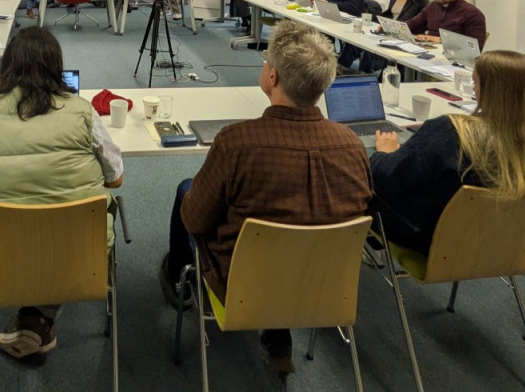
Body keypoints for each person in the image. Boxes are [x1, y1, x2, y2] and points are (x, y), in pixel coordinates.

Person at [159, 20, 371, 376]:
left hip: (243, 285)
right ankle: (277, 336)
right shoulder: (353, 145)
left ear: (272, 78)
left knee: (187, 190)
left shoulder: (236, 142)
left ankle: (177, 278)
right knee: (291, 227)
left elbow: (195, 221)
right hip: (325, 288)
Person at [0, 27, 124, 359]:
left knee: (10, 219)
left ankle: (32, 316)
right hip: (78, 259)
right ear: (56, 67)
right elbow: (116, 180)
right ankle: (39, 317)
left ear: (6, 68)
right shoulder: (81, 111)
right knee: (60, 224)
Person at [371, 50, 525, 253]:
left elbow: (389, 175)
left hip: (430, 240)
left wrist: (384, 154)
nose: (474, 90)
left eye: (476, 83)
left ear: (492, 91)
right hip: (495, 245)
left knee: (358, 173)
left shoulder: (452, 132)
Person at [340, 0, 429, 72]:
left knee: (370, 49)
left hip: (402, 37)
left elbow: (419, 23)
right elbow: (389, 14)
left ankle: (365, 75)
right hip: (388, 31)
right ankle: (340, 69)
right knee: (354, 42)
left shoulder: (420, 0)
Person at [404, 0, 487, 49]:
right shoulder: (432, 7)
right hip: (429, 51)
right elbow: (411, 24)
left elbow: (476, 46)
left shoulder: (472, 13)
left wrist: (441, 40)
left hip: (454, 58)